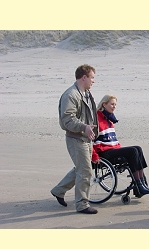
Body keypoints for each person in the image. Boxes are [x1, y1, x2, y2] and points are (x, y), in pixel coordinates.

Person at [51, 64, 99, 214]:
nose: (93, 81)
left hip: (86, 138)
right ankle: (82, 204)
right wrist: (84, 127)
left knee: (82, 168)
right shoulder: (71, 95)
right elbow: (67, 120)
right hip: (76, 138)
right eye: (92, 77)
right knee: (85, 171)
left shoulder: (86, 93)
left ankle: (58, 190)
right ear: (83, 77)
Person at [92, 94, 149, 197]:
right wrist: (94, 155)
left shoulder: (109, 119)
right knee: (132, 151)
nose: (114, 107)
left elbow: (112, 140)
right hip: (103, 153)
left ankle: (142, 184)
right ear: (104, 104)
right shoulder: (96, 119)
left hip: (111, 150)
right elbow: (89, 141)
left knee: (137, 149)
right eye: (112, 104)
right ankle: (139, 186)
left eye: (115, 105)